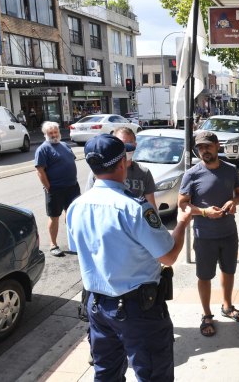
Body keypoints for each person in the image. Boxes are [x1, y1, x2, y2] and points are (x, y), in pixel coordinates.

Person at [66, 134, 192, 381]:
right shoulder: (134, 207)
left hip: (97, 306)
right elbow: (168, 256)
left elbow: (80, 249)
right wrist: (181, 224)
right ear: (122, 163)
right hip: (138, 310)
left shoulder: (77, 206)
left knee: (106, 374)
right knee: (154, 374)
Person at [178, 131, 239, 337]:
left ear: (217, 146)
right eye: (200, 147)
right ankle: (207, 314)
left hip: (228, 232)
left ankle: (227, 306)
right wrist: (204, 212)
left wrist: (233, 202)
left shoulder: (231, 170)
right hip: (204, 235)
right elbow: (183, 204)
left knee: (229, 271)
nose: (204, 151)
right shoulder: (192, 174)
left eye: (207, 146)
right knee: (205, 276)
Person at [34, 121, 80, 257]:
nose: (54, 135)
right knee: (54, 217)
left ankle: (74, 240)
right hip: (55, 189)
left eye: (55, 132)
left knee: (72, 214)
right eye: (50, 133)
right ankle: (53, 244)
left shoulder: (65, 145)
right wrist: (49, 187)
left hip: (72, 186)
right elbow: (40, 171)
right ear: (45, 134)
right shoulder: (43, 149)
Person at [85, 127, 156, 209]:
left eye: (129, 144)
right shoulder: (101, 173)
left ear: (135, 145)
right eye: (122, 144)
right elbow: (89, 199)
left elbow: (151, 205)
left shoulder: (143, 172)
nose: (126, 148)